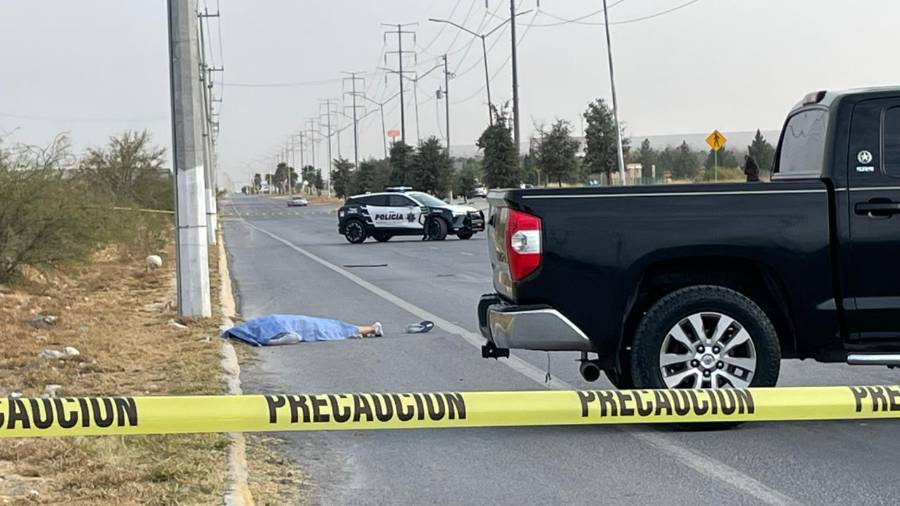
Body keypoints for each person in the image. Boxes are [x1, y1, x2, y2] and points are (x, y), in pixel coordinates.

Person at [224, 314, 383, 346]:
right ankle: (370, 329)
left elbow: (293, 338)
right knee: (331, 327)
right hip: (292, 321)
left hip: (295, 324)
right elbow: (292, 337)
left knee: (330, 329)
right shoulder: (250, 329)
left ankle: (371, 328)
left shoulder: (259, 336)